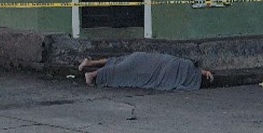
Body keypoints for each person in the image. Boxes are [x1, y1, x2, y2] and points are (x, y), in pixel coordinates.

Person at [78, 53, 214, 90]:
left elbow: (193, 68)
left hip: (143, 58)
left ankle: (90, 63)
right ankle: (92, 74)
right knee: (120, 69)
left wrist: (203, 72)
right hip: (146, 66)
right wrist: (202, 73)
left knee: (119, 61)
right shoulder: (185, 73)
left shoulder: (186, 65)